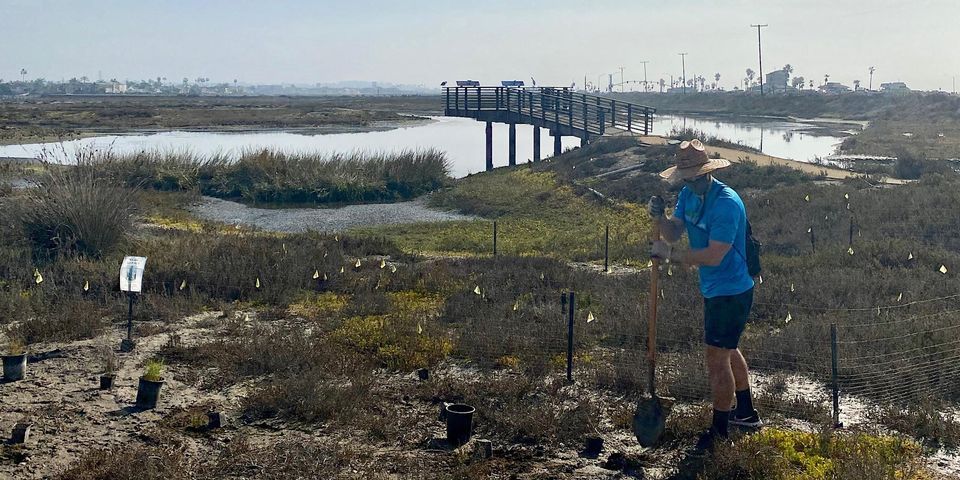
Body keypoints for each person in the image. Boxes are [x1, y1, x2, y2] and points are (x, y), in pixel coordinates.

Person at [648, 139, 761, 448]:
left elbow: (714, 255)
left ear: (708, 172)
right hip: (714, 288)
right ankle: (747, 413)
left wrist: (671, 255)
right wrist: (660, 218)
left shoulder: (726, 202)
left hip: (732, 290)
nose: (693, 181)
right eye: (688, 177)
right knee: (727, 350)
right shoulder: (687, 194)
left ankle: (720, 432)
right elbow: (673, 231)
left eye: (698, 176)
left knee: (716, 359)